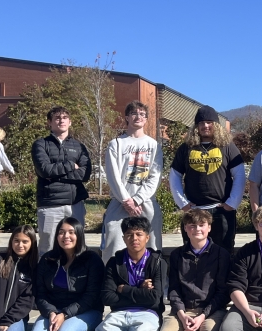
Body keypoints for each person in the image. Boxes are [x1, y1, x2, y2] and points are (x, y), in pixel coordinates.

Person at [169, 104, 245, 250]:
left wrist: (232, 203)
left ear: (216, 124)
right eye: (201, 123)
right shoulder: (186, 147)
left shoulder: (227, 146)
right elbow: (175, 175)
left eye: (209, 122)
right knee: (192, 253)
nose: (205, 126)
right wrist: (183, 203)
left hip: (221, 211)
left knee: (224, 253)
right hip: (194, 211)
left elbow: (240, 175)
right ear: (196, 126)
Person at [101, 100, 163, 260]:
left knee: (152, 249)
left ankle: (152, 284)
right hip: (120, 203)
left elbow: (155, 176)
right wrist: (127, 201)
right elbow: (113, 175)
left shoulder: (154, 145)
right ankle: (112, 284)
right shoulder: (115, 144)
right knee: (113, 248)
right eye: (134, 113)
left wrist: (137, 199)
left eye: (142, 114)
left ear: (146, 119)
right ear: (127, 117)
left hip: (146, 203)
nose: (138, 116)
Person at [32, 106, 92, 254]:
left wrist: (54, 175)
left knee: (77, 248)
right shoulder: (41, 144)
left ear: (70, 122)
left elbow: (85, 174)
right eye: (57, 118)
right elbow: (44, 170)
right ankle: (46, 278)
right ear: (50, 123)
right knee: (48, 247)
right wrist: (71, 165)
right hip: (50, 205)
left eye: (65, 118)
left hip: (75, 204)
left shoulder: (79, 146)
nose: (61, 121)